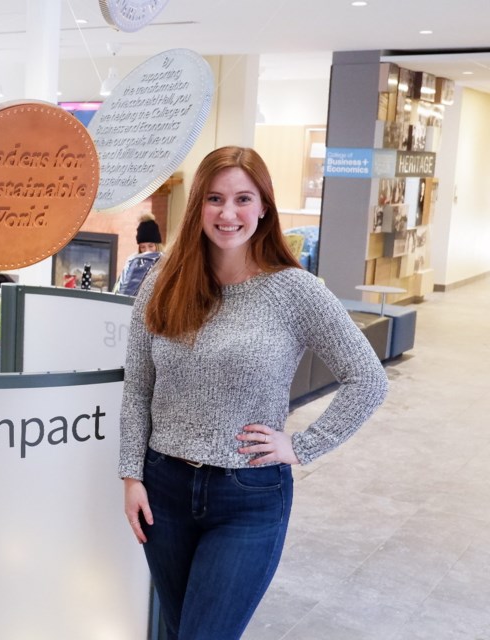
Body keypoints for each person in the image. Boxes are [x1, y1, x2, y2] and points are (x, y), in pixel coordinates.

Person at [119, 146, 388, 640]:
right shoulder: (162, 281)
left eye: (243, 199)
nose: (228, 213)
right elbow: (138, 388)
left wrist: (302, 445)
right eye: (215, 199)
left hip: (248, 497)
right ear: (198, 205)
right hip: (165, 492)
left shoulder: (295, 291)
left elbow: (368, 379)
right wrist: (131, 475)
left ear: (263, 206)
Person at [115, 212, 163, 296]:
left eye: (151, 246)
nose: (147, 251)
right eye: (142, 247)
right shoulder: (131, 262)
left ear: (157, 245)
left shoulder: (165, 262)